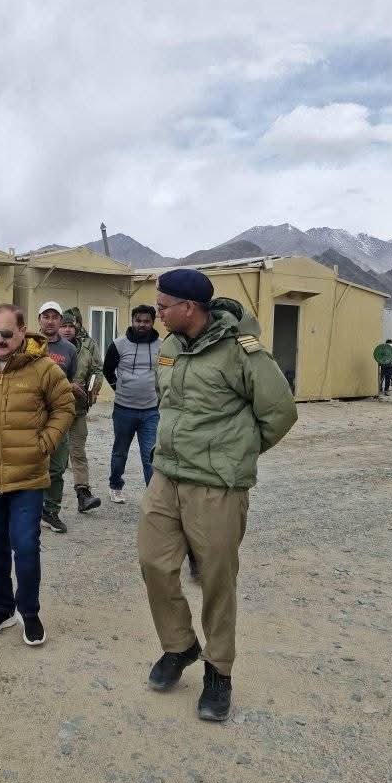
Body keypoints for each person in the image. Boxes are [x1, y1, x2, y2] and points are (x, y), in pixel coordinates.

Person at [137, 269, 297, 722]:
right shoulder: (169, 347)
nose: (158, 313)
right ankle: (180, 646)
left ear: (190, 307)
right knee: (154, 563)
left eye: (164, 306)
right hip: (166, 476)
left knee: (216, 580)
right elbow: (167, 403)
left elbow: (280, 412)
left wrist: (237, 453)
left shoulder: (241, 351)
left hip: (216, 486)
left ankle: (218, 671)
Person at [0, 304, 75, 646]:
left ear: (23, 332)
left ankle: (30, 612)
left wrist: (45, 443)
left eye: (7, 333)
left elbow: (65, 407)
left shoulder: (44, 369)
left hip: (28, 479)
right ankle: (2, 609)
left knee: (26, 546)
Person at [103, 304, 161, 503]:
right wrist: (118, 388)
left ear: (153, 323)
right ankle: (115, 486)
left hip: (151, 411)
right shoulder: (119, 344)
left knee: (150, 454)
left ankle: (153, 496)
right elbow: (107, 369)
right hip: (123, 409)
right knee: (120, 451)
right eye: (138, 321)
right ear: (132, 321)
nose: (142, 325)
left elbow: (166, 373)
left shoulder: (162, 345)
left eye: (146, 321)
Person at [37, 302, 78, 533]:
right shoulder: (28, 345)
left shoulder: (69, 350)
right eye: (46, 316)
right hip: (32, 415)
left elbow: (70, 379)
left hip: (58, 415)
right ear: (39, 319)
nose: (50, 320)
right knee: (30, 464)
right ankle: (27, 509)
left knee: (57, 466)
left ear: (60, 321)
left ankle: (51, 511)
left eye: (55, 317)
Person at [59, 312, 103, 512]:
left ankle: (83, 494)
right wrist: (69, 385)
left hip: (77, 408)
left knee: (78, 452)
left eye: (71, 326)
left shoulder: (86, 347)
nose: (67, 329)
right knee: (50, 456)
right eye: (64, 325)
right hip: (53, 411)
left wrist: (94, 386)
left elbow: (96, 369)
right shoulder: (48, 346)